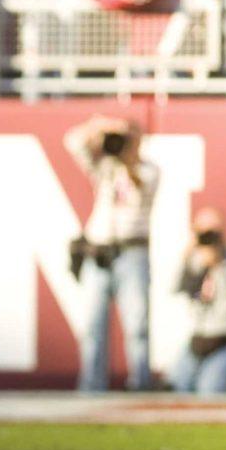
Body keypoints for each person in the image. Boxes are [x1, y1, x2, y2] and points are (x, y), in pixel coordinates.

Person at [64, 115, 159, 392]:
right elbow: (72, 141)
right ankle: (92, 385)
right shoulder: (105, 167)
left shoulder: (149, 170)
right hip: (100, 252)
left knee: (137, 324)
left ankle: (140, 383)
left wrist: (127, 155)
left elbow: (139, 185)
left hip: (132, 251)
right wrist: (102, 127)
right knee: (93, 324)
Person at [170, 207, 226, 394]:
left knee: (210, 389)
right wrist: (188, 255)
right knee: (176, 386)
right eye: (203, 232)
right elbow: (175, 288)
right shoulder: (196, 261)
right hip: (199, 340)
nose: (209, 237)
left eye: (213, 232)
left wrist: (217, 266)